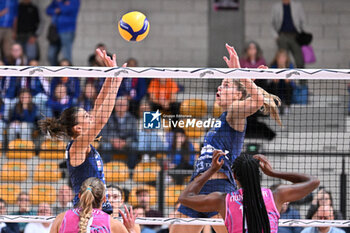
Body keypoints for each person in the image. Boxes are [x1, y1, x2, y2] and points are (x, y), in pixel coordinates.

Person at [170, 44, 282, 233]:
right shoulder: (222, 118)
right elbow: (250, 96)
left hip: (221, 189)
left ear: (238, 95)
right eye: (220, 84)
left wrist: (240, 74)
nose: (220, 87)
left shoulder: (234, 113)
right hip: (198, 186)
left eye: (226, 85)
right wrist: (244, 80)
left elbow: (256, 101)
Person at [39, 48, 126, 214]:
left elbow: (99, 105)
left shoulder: (82, 142)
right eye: (86, 117)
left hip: (99, 209)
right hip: (86, 211)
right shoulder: (77, 146)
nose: (90, 117)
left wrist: (111, 74)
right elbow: (101, 119)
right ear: (78, 128)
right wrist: (117, 81)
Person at [178, 150, 320, 233]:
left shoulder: (222, 200)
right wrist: (274, 173)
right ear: (258, 174)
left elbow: (185, 197)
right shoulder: (276, 195)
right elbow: (313, 182)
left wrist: (211, 170)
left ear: (234, 176)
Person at [50, 177, 140, 233]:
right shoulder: (113, 224)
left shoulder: (61, 219)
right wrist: (131, 230)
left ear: (80, 196)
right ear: (105, 199)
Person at [100, 96, 138, 165]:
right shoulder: (108, 118)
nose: (120, 107)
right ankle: (107, 168)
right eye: (118, 105)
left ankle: (131, 171)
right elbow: (103, 133)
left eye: (123, 105)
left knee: (134, 146)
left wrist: (125, 142)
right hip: (111, 143)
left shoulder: (132, 119)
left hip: (126, 144)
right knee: (106, 146)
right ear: (114, 106)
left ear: (127, 107)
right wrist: (112, 140)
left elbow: (134, 136)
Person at [272, 0, 306, 68]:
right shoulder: (276, 7)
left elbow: (303, 20)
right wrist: (276, 36)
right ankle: (284, 77)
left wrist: (303, 34)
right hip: (282, 36)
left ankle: (302, 78)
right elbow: (271, 23)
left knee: (299, 59)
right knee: (282, 59)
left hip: (295, 36)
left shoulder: (297, 5)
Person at [46, 0, 80, 65]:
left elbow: (67, 10)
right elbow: (48, 10)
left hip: (67, 30)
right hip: (55, 31)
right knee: (51, 55)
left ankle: (68, 74)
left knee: (66, 55)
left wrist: (59, 3)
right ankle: (56, 73)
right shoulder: (57, 1)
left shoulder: (74, 1)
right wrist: (55, 10)